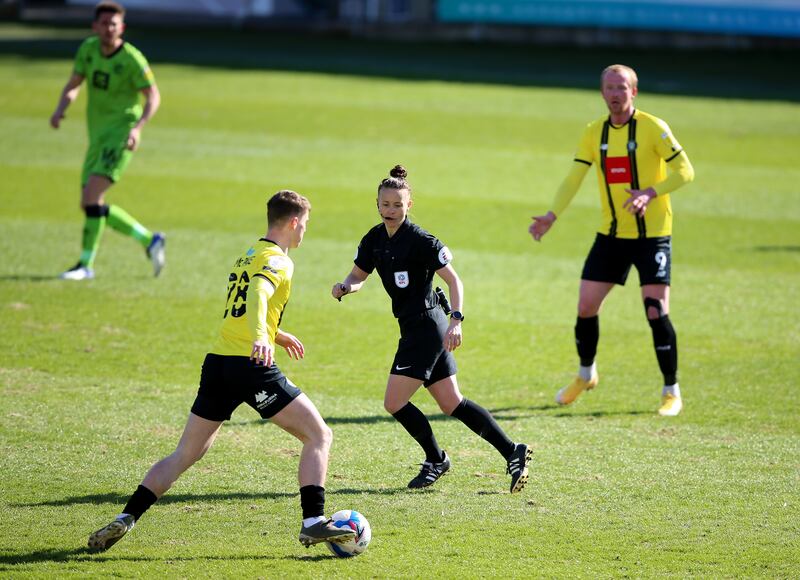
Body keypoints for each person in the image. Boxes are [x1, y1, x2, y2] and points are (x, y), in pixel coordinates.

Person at [87, 190, 355, 552]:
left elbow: (239, 309)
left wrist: (275, 333)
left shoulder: (247, 255)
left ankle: (126, 517)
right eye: (304, 225)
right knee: (319, 435)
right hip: (251, 367)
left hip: (218, 364)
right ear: (293, 222)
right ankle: (313, 522)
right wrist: (262, 337)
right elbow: (258, 292)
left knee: (186, 453)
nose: (304, 232)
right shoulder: (279, 260)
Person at [332, 165, 532, 493]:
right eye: (385, 204)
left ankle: (436, 459)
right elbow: (358, 275)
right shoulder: (374, 239)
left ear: (409, 205)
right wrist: (346, 287)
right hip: (414, 327)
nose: (391, 210)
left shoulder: (422, 240)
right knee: (452, 402)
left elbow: (454, 280)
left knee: (394, 402)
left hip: (427, 327)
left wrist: (457, 321)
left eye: (398, 205)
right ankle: (513, 451)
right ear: (377, 204)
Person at [529, 64, 695, 417]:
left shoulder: (653, 128)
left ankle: (671, 391)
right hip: (612, 236)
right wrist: (551, 216)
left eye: (622, 87)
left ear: (634, 92)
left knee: (655, 310)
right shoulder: (594, 133)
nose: (616, 94)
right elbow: (574, 177)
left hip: (652, 237)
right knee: (586, 306)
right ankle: (586, 375)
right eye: (609, 87)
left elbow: (686, 171)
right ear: (602, 92)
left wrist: (651, 192)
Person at [50, 1, 165, 281]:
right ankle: (149, 240)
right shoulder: (88, 49)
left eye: (113, 24)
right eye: (103, 23)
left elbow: (153, 96)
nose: (108, 28)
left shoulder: (131, 58)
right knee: (89, 204)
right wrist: (60, 108)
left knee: (92, 198)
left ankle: (85, 265)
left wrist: (137, 129)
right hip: (97, 137)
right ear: (95, 26)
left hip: (121, 135)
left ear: (121, 27)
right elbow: (75, 82)